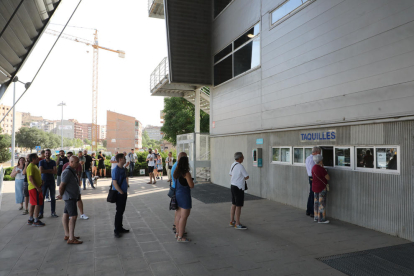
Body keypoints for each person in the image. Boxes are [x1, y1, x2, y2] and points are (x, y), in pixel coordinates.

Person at [57, 156, 83, 244]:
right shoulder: (67, 172)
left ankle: (67, 234)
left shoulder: (71, 171)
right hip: (70, 197)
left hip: (71, 196)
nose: (78, 163)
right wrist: (60, 194)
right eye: (76, 162)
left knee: (66, 214)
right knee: (73, 217)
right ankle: (71, 238)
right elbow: (62, 185)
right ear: (71, 162)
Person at [173, 156, 194, 242]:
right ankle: (181, 237)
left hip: (177, 195)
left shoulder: (176, 173)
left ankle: (177, 233)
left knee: (178, 215)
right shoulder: (186, 173)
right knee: (184, 217)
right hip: (185, 196)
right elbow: (191, 185)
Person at [63, 152, 89, 220]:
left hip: (76, 185)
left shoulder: (78, 164)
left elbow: (79, 174)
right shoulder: (65, 166)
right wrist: (61, 193)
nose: (69, 157)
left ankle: (82, 213)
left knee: (79, 199)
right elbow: (63, 179)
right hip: (68, 189)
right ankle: (69, 214)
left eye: (70, 156)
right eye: (68, 156)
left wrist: (78, 183)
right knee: (68, 203)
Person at [111, 153, 130, 238]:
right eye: (124, 158)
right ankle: (116, 230)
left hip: (124, 193)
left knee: (121, 211)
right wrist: (121, 192)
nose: (125, 159)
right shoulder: (115, 170)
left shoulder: (123, 169)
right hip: (119, 194)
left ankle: (120, 227)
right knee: (119, 212)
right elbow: (114, 183)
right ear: (120, 160)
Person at [229, 152, 249, 230]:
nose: (243, 158)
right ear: (240, 158)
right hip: (239, 187)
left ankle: (232, 221)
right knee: (238, 206)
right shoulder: (240, 166)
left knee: (234, 204)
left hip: (233, 186)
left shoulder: (233, 164)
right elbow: (247, 176)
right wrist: (240, 179)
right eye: (243, 157)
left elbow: (231, 174)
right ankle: (237, 223)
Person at [26, 153, 45, 226]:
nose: (38, 158)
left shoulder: (34, 166)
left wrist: (40, 181)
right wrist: (37, 187)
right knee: (37, 203)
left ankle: (31, 219)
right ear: (33, 159)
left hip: (35, 187)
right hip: (34, 188)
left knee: (33, 203)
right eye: (37, 157)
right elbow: (30, 178)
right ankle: (36, 220)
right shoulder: (30, 166)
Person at [39, 149, 58, 218]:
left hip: (51, 181)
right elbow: (40, 171)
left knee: (53, 197)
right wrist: (50, 170)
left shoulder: (53, 162)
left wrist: (45, 170)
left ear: (50, 154)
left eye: (48, 153)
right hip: (43, 181)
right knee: (42, 197)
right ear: (44, 154)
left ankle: (53, 212)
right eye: (46, 153)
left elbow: (55, 172)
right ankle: (41, 213)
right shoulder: (41, 162)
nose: (47, 154)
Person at [171, 152, 187, 235]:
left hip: (176, 189)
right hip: (179, 190)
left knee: (178, 212)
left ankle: (177, 228)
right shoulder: (179, 167)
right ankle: (178, 230)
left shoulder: (176, 165)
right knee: (180, 214)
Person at [311, 154, 330, 224]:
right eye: (321, 160)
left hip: (315, 187)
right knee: (322, 203)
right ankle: (321, 219)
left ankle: (316, 217)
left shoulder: (313, 167)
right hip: (321, 187)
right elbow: (328, 177)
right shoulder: (321, 169)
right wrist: (324, 169)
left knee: (316, 202)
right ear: (320, 161)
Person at [305, 147, 321, 218]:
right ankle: (312, 211)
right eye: (319, 152)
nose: (320, 154)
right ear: (316, 152)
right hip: (313, 177)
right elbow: (314, 170)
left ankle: (308, 210)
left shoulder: (308, 158)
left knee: (311, 193)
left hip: (310, 177)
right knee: (313, 194)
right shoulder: (312, 159)